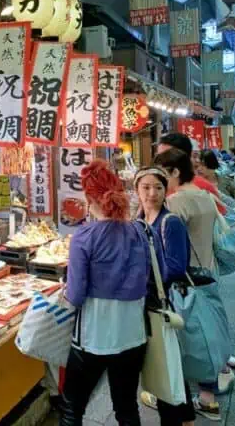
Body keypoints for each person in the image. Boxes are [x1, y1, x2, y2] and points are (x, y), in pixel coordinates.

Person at [61, 161, 150, 426]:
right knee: (126, 407)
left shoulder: (84, 236)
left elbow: (75, 296)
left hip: (94, 335)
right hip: (133, 333)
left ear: (89, 199)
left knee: (72, 407)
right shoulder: (140, 231)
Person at [153, 147, 225, 420]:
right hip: (207, 273)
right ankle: (208, 395)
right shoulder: (205, 195)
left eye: (162, 174)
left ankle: (180, 398)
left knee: (185, 339)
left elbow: (167, 247)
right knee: (205, 333)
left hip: (184, 281)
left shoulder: (176, 203)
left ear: (174, 172)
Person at [134, 167, 195, 426]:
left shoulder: (170, 223)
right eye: (146, 187)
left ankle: (173, 419)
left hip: (162, 302)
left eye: (158, 187)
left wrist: (138, 275)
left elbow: (175, 267)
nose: (152, 193)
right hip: (148, 302)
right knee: (168, 363)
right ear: (136, 190)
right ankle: (187, 416)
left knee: (164, 365)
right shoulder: (139, 220)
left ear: (165, 190)